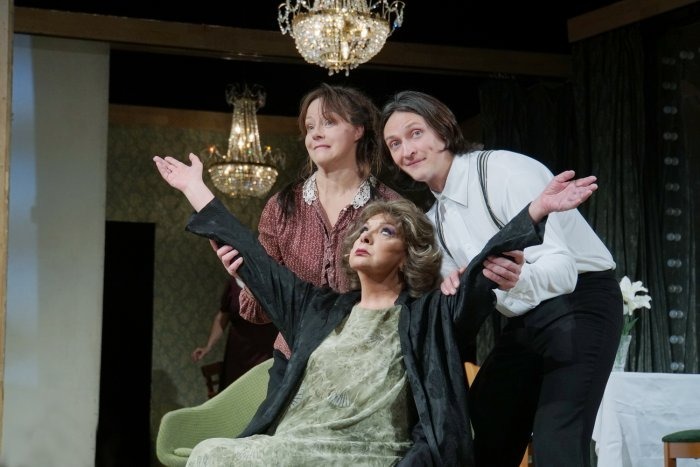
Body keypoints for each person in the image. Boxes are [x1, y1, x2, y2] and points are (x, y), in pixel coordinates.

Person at [153, 151, 597, 465]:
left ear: (409, 254)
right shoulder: (316, 309)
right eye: (364, 231)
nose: (366, 235)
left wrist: (536, 210)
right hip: (298, 444)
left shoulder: (429, 317)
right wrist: (195, 187)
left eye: (386, 232)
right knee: (213, 452)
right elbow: (255, 256)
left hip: (370, 455)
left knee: (218, 457)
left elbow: (482, 270)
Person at [380, 90, 623, 467]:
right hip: (522, 322)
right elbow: (458, 296)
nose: (406, 150)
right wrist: (452, 289)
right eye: (395, 143)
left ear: (443, 131)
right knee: (484, 433)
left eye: (415, 133)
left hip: (583, 302)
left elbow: (563, 269)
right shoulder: (434, 222)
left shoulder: (503, 170)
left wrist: (518, 279)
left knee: (557, 440)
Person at [236, 83, 403, 400]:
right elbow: (258, 311)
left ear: (358, 130)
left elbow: (407, 297)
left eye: (329, 122)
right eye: (310, 127)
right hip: (293, 363)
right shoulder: (281, 208)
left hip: (365, 366)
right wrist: (246, 276)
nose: (315, 134)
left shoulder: (391, 209)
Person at [191, 278, 277, 390]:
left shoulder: (269, 279)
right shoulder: (232, 285)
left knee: (265, 390)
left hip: (267, 351)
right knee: (237, 392)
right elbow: (222, 317)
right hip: (238, 355)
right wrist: (208, 346)